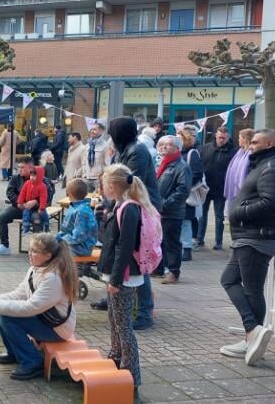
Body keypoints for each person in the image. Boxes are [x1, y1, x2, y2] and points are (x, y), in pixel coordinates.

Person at [219, 129, 275, 366]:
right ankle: (252, 334)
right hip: (250, 236)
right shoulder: (266, 164)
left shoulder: (271, 167)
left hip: (256, 237)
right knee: (231, 280)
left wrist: (238, 212)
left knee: (250, 289)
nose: (250, 146)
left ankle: (253, 332)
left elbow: (271, 202)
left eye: (255, 142)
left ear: (269, 143)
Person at [0, 233, 77, 381]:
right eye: (30, 249)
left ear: (48, 255)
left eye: (34, 251)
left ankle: (33, 362)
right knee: (0, 311)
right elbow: (20, 293)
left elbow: (31, 307)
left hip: (58, 329)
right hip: (46, 319)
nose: (29, 254)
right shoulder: (37, 269)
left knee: (6, 315)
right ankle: (14, 353)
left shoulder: (53, 278)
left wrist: (0, 305)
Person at [99, 164, 153, 392]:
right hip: (118, 273)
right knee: (114, 319)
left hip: (124, 276)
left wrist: (115, 280)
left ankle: (132, 377)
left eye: (103, 183)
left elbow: (124, 246)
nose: (101, 187)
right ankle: (115, 359)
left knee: (123, 326)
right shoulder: (119, 205)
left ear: (112, 186)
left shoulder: (129, 208)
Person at [105, 116, 160, 330]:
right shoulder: (125, 148)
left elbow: (125, 183)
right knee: (117, 252)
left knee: (138, 261)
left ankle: (145, 312)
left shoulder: (137, 151)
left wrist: (112, 206)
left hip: (138, 208)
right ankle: (114, 293)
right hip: (125, 205)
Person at [155, 134, 191, 284]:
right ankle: (158, 269)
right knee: (159, 241)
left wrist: (165, 204)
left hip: (172, 212)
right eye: (161, 144)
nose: (163, 146)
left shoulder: (181, 166)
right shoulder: (162, 164)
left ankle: (173, 272)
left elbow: (183, 190)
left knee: (172, 243)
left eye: (168, 144)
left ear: (177, 148)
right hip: (159, 211)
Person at [199, 126, 236, 249]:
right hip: (206, 187)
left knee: (219, 216)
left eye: (224, 138)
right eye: (220, 137)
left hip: (221, 188)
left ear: (228, 137)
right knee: (202, 215)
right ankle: (199, 239)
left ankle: (218, 242)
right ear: (215, 135)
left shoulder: (233, 152)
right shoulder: (206, 148)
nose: (221, 140)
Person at [0, 159, 33, 256]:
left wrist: (34, 203)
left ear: (30, 167)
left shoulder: (39, 177)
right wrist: (18, 202)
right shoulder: (15, 178)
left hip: (33, 209)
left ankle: (40, 248)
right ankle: (4, 246)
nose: (19, 170)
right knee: (1, 218)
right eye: (18, 167)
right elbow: (10, 192)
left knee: (37, 220)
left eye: (22, 167)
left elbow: (48, 193)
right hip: (19, 207)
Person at [223, 129, 256, 243]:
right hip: (234, 193)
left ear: (246, 138)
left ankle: (240, 241)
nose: (238, 140)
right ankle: (236, 240)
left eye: (240, 137)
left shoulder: (251, 154)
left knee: (240, 221)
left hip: (243, 193)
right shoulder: (239, 152)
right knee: (234, 220)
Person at [179, 126, 204, 260]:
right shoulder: (178, 153)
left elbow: (197, 173)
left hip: (187, 194)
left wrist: (184, 186)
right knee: (181, 221)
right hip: (180, 193)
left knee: (186, 221)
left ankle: (187, 249)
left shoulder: (191, 153)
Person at [56, 179, 97, 257]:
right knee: (47, 245)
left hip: (81, 248)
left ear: (69, 193)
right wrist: (57, 238)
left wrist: (61, 240)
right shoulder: (75, 206)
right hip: (73, 244)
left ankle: (70, 268)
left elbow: (78, 237)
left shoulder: (82, 211)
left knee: (52, 252)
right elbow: (66, 230)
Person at [19, 165, 50, 234]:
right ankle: (26, 228)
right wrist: (20, 201)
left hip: (39, 206)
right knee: (25, 214)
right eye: (31, 175)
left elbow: (43, 197)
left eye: (34, 176)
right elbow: (22, 193)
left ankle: (47, 225)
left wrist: (41, 208)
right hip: (29, 205)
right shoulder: (27, 183)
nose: (32, 177)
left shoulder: (42, 186)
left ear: (39, 176)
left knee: (44, 214)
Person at [82, 122, 111, 192]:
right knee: (87, 199)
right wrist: (84, 174)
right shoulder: (87, 145)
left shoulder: (105, 146)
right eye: (91, 129)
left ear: (101, 131)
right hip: (87, 178)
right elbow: (84, 161)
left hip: (98, 179)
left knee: (98, 200)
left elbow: (108, 164)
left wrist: (103, 177)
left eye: (94, 129)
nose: (92, 131)